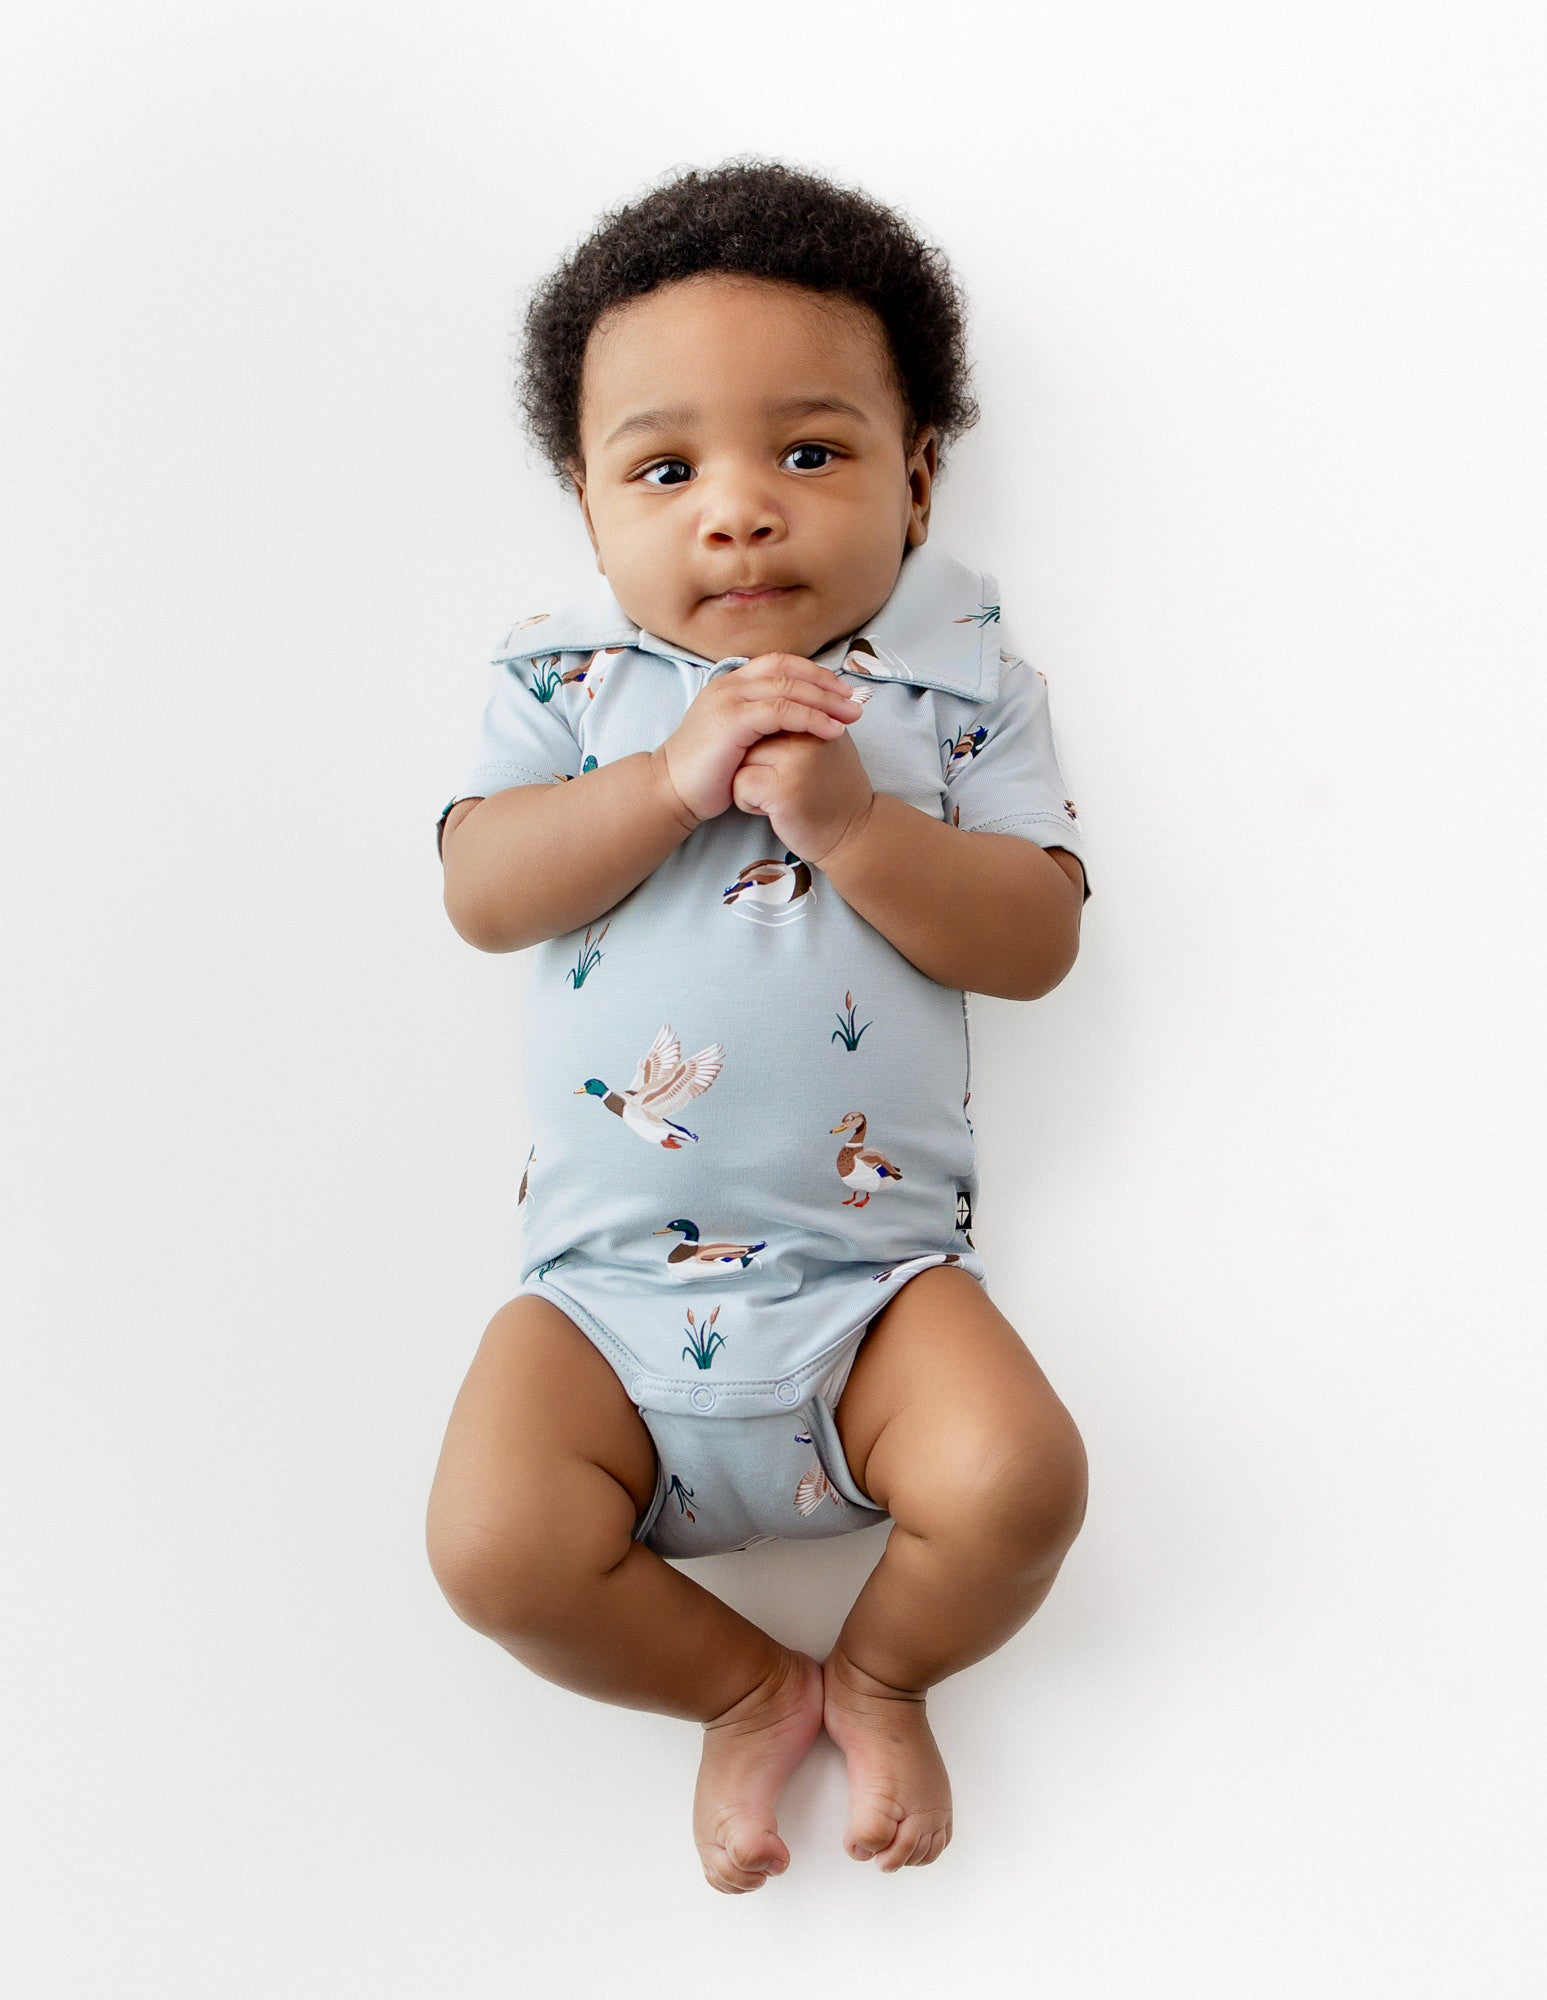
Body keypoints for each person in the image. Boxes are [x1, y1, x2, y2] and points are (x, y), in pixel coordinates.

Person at [427, 160, 1091, 1894]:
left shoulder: (961, 687)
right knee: (494, 1549)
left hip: (876, 1292)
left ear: (917, 475)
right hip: (602, 1305)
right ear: (589, 512)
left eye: (808, 452)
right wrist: (665, 781)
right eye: (666, 471)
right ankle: (741, 1691)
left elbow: (1036, 940)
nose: (738, 514)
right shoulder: (567, 685)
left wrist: (858, 826)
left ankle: (881, 1674)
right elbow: (483, 889)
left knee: (1017, 1483)